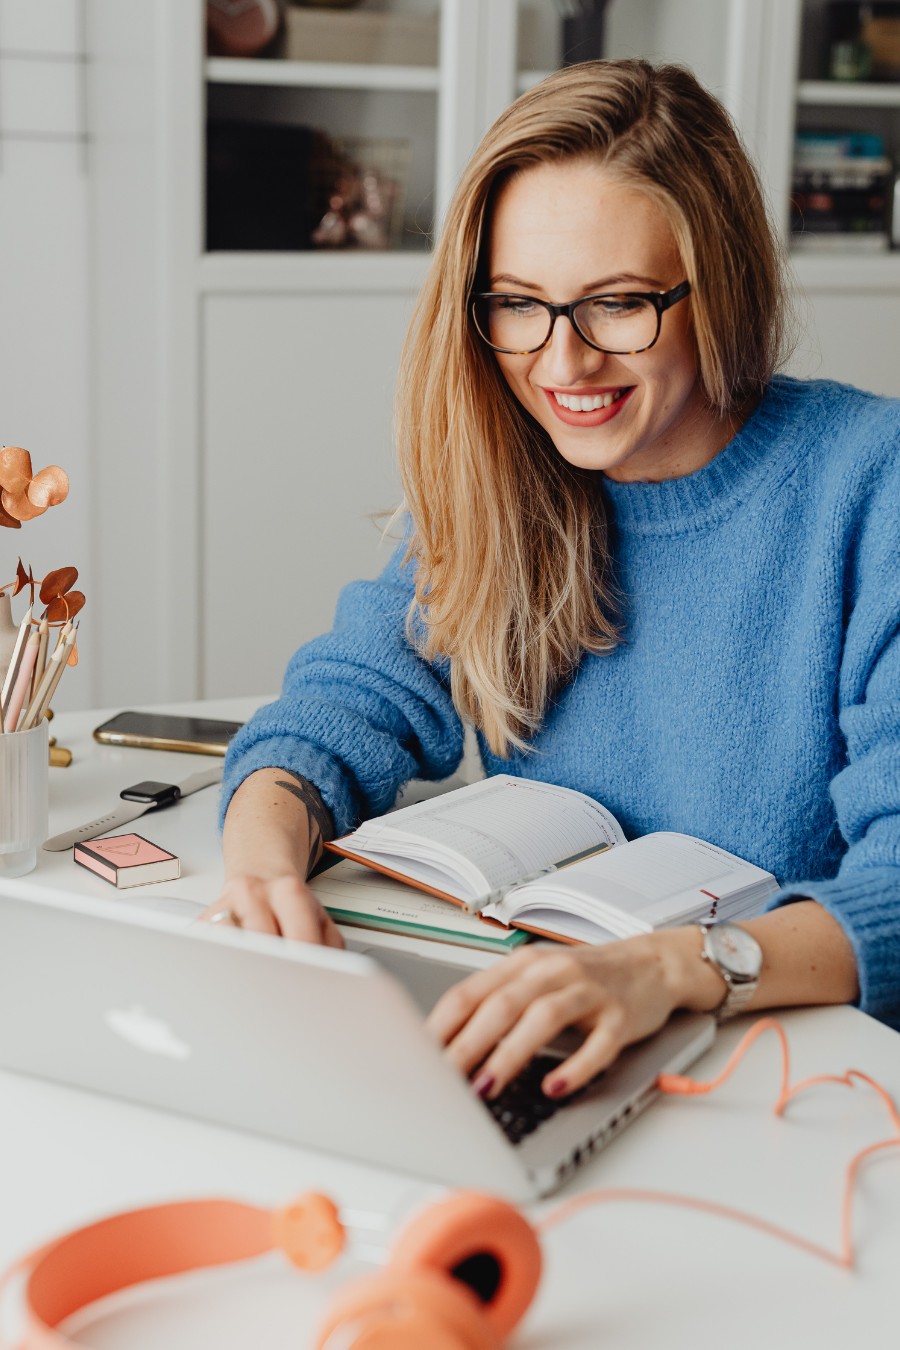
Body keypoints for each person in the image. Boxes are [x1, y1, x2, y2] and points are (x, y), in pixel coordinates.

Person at [206, 59, 900, 1103]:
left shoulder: (870, 483)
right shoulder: (506, 467)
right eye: (519, 305)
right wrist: (263, 854)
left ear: (723, 283)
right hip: (550, 1035)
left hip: (800, 1073)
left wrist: (672, 970)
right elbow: (342, 704)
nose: (562, 365)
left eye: (618, 304)